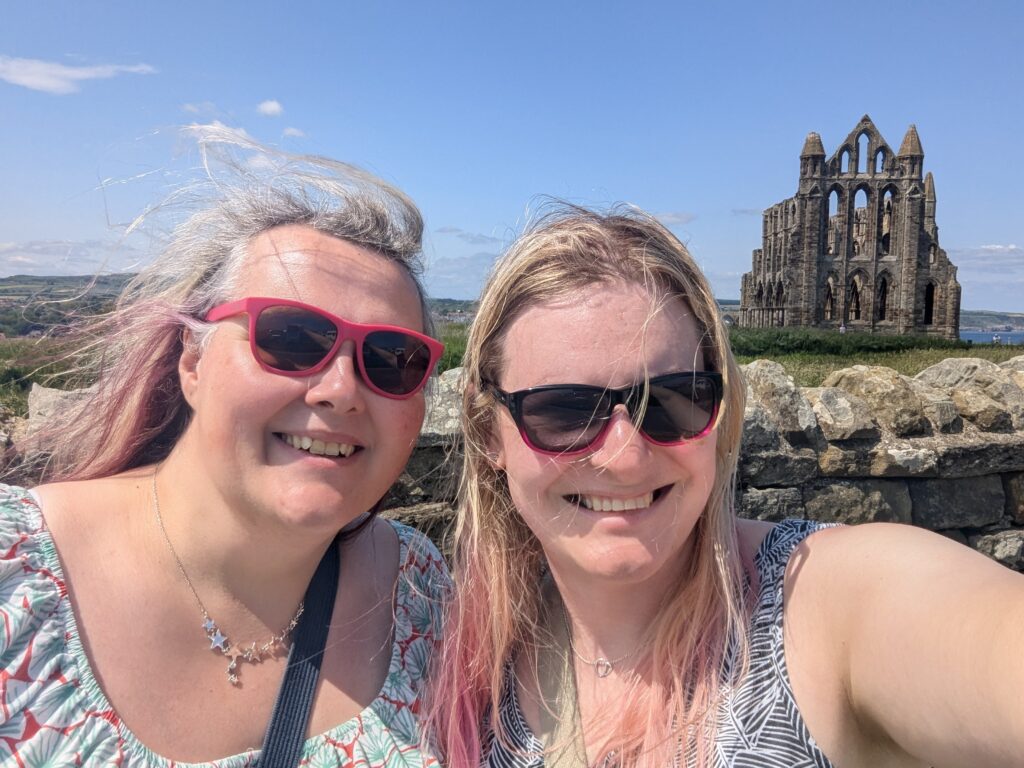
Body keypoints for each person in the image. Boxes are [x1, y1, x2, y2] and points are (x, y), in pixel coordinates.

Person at [426, 205, 1024, 767]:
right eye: (562, 411)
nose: (625, 456)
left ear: (721, 410)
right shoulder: (453, 640)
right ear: (487, 435)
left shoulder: (816, 604)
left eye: (674, 400)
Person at [0, 126, 448, 766]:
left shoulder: (421, 594)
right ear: (192, 360)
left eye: (392, 360)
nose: (342, 390)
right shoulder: (14, 572)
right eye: (292, 337)